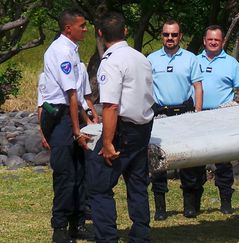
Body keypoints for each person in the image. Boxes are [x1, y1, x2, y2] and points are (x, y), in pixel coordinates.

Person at [86, 11, 154, 242]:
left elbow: (111, 106)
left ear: (100, 34)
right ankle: (141, 234)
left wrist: (106, 142)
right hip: (143, 127)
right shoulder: (141, 58)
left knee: (98, 185)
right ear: (125, 31)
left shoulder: (111, 62)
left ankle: (106, 237)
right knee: (136, 183)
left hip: (122, 131)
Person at [39, 8, 93, 243]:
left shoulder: (73, 50)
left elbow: (79, 97)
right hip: (60, 116)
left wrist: (87, 119)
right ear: (68, 28)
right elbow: (70, 95)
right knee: (65, 173)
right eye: (82, 25)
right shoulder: (61, 51)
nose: (85, 29)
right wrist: (75, 130)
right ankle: (59, 227)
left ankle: (77, 223)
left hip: (71, 113)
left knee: (80, 171)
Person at [147, 20, 203, 219]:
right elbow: (145, 88)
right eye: (166, 34)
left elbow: (197, 86)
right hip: (160, 114)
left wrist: (198, 112)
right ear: (162, 35)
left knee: (187, 161)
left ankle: (189, 206)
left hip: (185, 113)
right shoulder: (151, 59)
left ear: (180, 36)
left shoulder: (190, 59)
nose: (169, 38)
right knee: (158, 162)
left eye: (174, 35)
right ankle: (161, 209)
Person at [197, 25, 239, 214]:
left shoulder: (231, 63)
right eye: (210, 39)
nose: (212, 42)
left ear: (222, 41)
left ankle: (226, 202)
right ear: (204, 40)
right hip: (199, 116)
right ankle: (193, 204)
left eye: (216, 40)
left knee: (223, 163)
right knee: (196, 161)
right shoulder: (194, 61)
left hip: (222, 116)